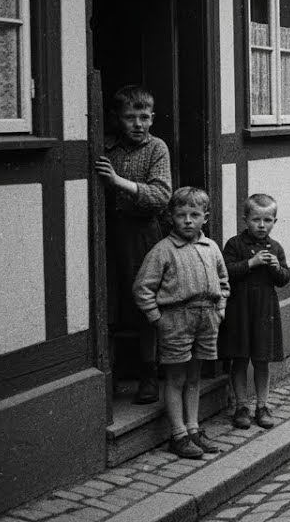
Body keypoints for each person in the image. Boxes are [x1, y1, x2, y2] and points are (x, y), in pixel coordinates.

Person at [133, 187, 230, 460]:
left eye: (194, 214)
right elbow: (142, 288)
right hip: (176, 320)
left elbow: (223, 281)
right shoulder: (162, 251)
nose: (188, 220)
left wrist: (220, 308)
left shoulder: (210, 248)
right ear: (171, 218)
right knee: (176, 378)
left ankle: (194, 429)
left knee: (195, 376)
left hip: (206, 318)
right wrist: (157, 318)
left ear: (205, 218)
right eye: (181, 215)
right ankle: (178, 435)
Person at [96, 85, 172, 405]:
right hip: (111, 234)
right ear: (117, 119)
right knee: (110, 304)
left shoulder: (156, 149)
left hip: (144, 235)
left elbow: (160, 195)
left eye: (144, 117)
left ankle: (148, 374)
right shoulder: (106, 148)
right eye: (130, 117)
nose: (138, 124)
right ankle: (110, 377)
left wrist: (118, 183)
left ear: (152, 118)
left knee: (146, 302)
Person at [220, 193, 290, 431]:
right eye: (256, 220)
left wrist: (276, 267)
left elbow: (284, 279)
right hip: (240, 311)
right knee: (239, 359)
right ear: (245, 220)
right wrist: (251, 263)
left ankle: (262, 405)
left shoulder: (276, 247)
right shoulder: (234, 245)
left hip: (264, 311)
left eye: (268, 220)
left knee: (262, 360)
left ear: (274, 221)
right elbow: (226, 272)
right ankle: (241, 406)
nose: (262, 225)